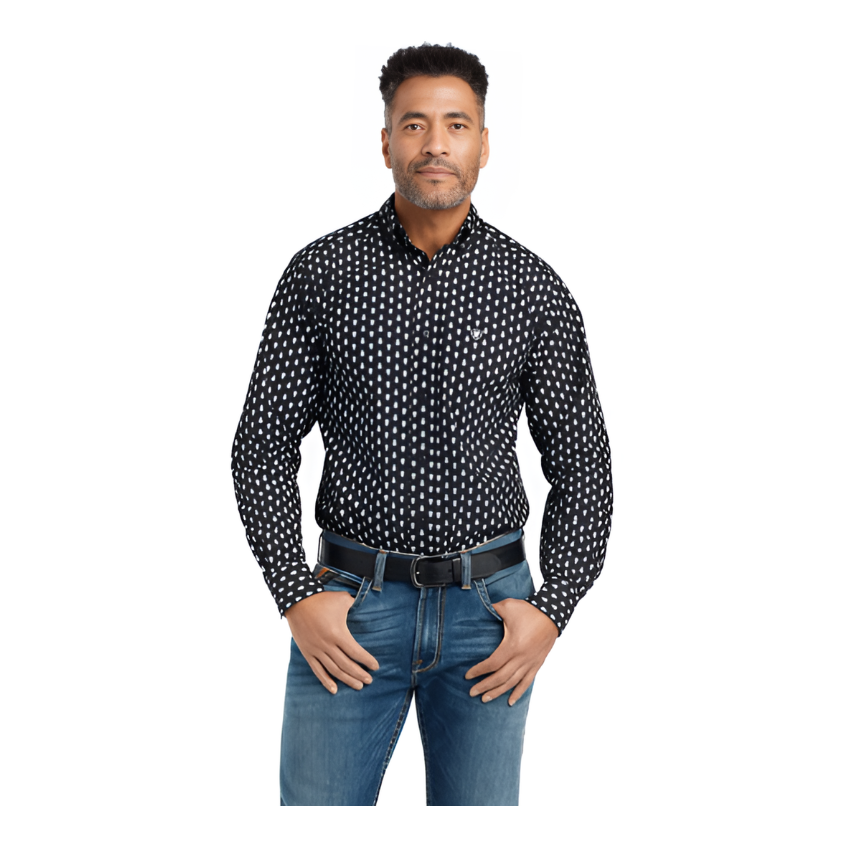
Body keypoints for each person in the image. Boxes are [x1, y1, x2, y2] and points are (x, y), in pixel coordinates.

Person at [231, 43, 614, 806]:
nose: (435, 143)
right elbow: (261, 447)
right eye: (414, 124)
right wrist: (293, 593)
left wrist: (551, 611)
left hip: (489, 617)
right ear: (385, 143)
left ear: (483, 144)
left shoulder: (530, 288)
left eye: (456, 125)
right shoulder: (321, 274)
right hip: (349, 610)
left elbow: (583, 465)